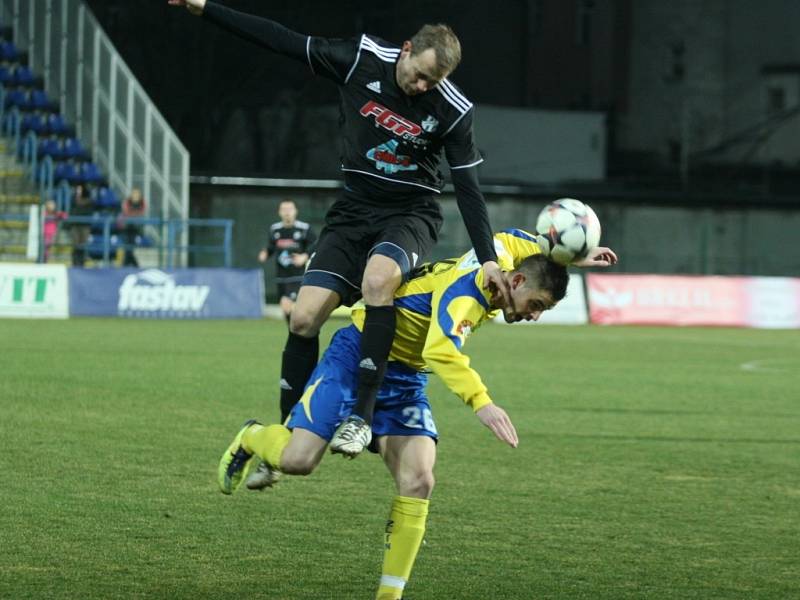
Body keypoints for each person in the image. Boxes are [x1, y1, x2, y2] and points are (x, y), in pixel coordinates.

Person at [169, 0, 511, 449]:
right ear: (406, 49)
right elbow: (281, 39)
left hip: (411, 213)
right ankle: (285, 433)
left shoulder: (453, 110)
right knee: (304, 319)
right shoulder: (359, 60)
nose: (422, 85)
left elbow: (469, 189)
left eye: (434, 81)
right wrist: (207, 9)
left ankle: (361, 418)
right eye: (420, 74)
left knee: (377, 281)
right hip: (354, 211)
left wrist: (488, 259)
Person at [217, 232, 618, 600]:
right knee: (298, 461)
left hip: (406, 378)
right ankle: (253, 436)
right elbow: (441, 352)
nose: (534, 315)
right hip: (357, 358)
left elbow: (514, 238)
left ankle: (388, 597)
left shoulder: (500, 253)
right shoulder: (468, 296)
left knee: (419, 479)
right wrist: (483, 402)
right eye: (537, 305)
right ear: (515, 283)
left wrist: (573, 255)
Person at [257, 199, 316, 324]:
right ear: (279, 212)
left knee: (287, 304)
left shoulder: (304, 228)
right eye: (284, 209)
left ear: (296, 211)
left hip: (299, 275)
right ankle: (296, 331)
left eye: (290, 209)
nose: (287, 212)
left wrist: (304, 257)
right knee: (285, 308)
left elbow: (315, 245)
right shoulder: (275, 229)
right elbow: (271, 246)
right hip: (281, 276)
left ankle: (297, 331)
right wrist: (265, 253)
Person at [67, 184, 93, 267]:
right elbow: (72, 211)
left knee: (82, 245)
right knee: (75, 244)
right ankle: (75, 262)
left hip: (84, 225)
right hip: (75, 225)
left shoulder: (89, 201)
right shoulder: (73, 200)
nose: (78, 191)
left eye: (80, 189)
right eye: (77, 189)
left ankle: (82, 262)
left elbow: (88, 212)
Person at [120, 187, 146, 267]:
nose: (135, 195)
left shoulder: (142, 203)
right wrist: (134, 215)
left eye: (137, 193)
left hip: (136, 228)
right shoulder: (127, 202)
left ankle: (126, 264)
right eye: (134, 193)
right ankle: (135, 265)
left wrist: (133, 215)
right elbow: (126, 212)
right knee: (128, 246)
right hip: (127, 227)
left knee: (131, 247)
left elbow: (141, 213)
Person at [42, 199, 67, 263]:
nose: (51, 206)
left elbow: (65, 216)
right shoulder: (44, 213)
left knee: (49, 247)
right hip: (45, 233)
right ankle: (44, 259)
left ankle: (46, 259)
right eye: (50, 205)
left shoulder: (55, 213)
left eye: (53, 205)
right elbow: (41, 218)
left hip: (52, 233)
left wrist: (60, 215)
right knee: (45, 246)